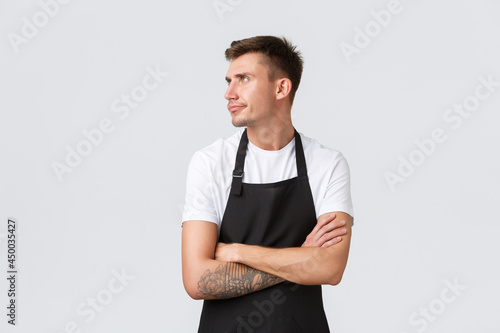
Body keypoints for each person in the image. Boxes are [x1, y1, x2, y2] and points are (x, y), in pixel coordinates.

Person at [181, 35, 354, 333]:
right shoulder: (210, 163)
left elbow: (331, 268)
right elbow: (197, 280)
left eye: (243, 79)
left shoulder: (327, 164)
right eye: (228, 81)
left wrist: (239, 252)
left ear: (281, 88)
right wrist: (301, 257)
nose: (229, 93)